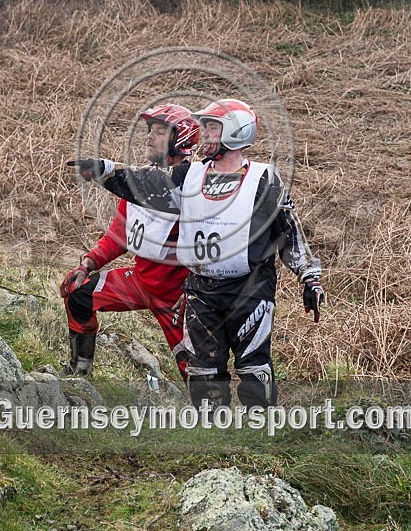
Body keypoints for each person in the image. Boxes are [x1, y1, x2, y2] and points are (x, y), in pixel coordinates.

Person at [80, 98, 324, 411]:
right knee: (204, 374)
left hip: (250, 287)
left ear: (235, 133)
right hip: (200, 289)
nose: (203, 134)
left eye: (211, 128)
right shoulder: (190, 175)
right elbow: (146, 185)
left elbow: (289, 233)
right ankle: (215, 440)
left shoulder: (263, 179)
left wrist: (310, 278)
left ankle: (261, 440)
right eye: (205, 127)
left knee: (253, 366)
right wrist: (106, 171)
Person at [60, 104, 200, 379]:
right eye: (150, 131)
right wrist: (87, 264)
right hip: (138, 281)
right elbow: (119, 234)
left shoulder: (195, 187)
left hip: (176, 297)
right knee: (77, 292)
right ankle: (79, 374)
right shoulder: (140, 181)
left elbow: (210, 249)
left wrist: (195, 292)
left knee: (196, 374)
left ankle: (215, 416)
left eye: (159, 132)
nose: (149, 137)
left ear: (179, 140)